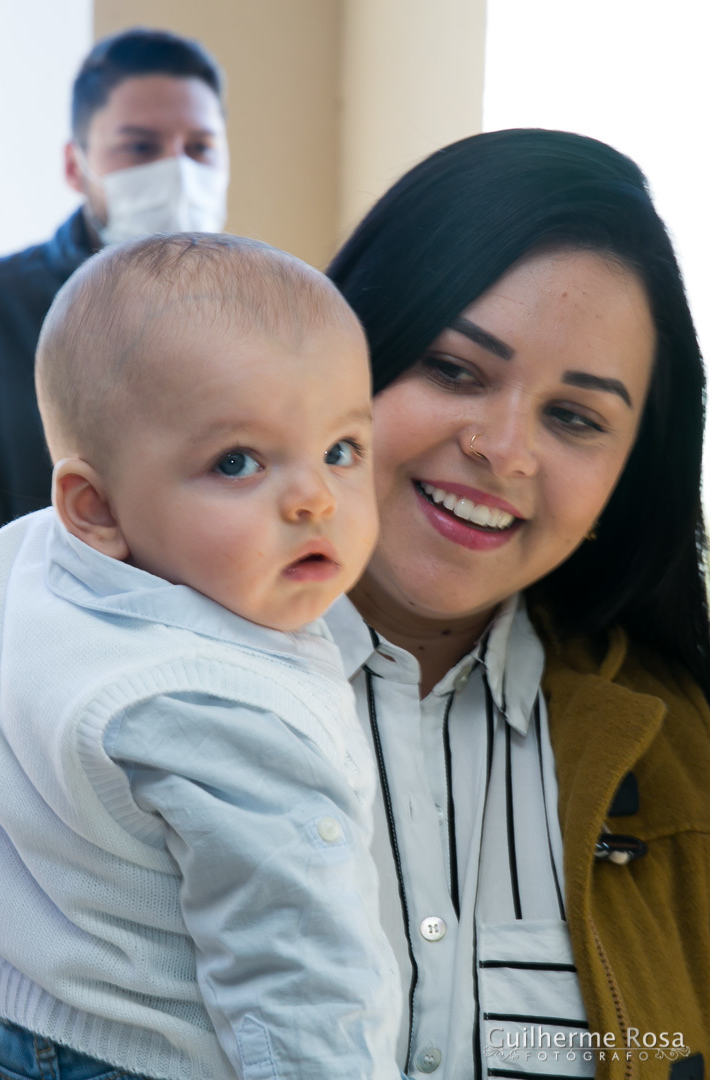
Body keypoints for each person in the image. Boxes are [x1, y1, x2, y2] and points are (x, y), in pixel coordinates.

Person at [322, 128, 710, 1079]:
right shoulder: (87, 674)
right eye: (456, 369)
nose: (505, 449)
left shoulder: (689, 761)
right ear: (346, 355)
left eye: (575, 417)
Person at [0, 234, 404, 1080]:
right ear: (95, 506)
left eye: (342, 449)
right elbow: (299, 977)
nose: (315, 498)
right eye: (238, 462)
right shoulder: (218, 709)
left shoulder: (27, 558)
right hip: (142, 1055)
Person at [0, 28, 229, 532]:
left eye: (200, 148)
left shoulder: (269, 313)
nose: (177, 172)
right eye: (140, 147)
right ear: (75, 167)